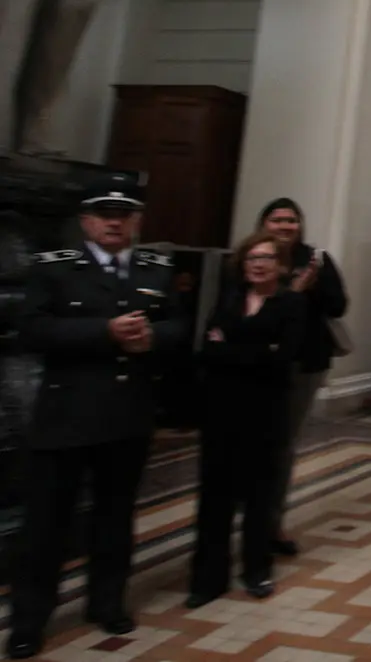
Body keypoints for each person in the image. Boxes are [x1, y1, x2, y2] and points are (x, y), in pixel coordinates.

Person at [7, 172, 188, 659]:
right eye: (105, 215)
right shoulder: (55, 268)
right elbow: (32, 331)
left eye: (124, 215)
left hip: (127, 415)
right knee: (46, 525)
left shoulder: (155, 268)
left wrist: (154, 339)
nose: (114, 223)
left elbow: (178, 324)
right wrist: (103, 331)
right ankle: (29, 621)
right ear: (86, 220)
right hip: (65, 415)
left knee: (115, 517)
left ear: (137, 221)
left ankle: (107, 603)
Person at [187, 231, 305, 609]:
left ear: (280, 265)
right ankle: (208, 578)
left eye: (266, 258)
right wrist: (256, 350)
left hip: (266, 414)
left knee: (259, 496)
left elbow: (283, 359)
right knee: (214, 497)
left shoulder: (291, 305)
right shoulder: (229, 300)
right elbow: (207, 352)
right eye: (252, 258)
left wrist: (231, 348)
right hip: (221, 412)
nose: (258, 264)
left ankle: (257, 570)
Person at [256, 198, 348, 556]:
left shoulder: (316, 260)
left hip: (302, 365)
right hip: (255, 363)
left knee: (282, 443)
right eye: (277, 219)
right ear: (264, 224)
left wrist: (311, 286)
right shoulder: (252, 257)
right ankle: (250, 519)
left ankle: (271, 523)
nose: (285, 226)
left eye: (291, 220)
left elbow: (338, 305)